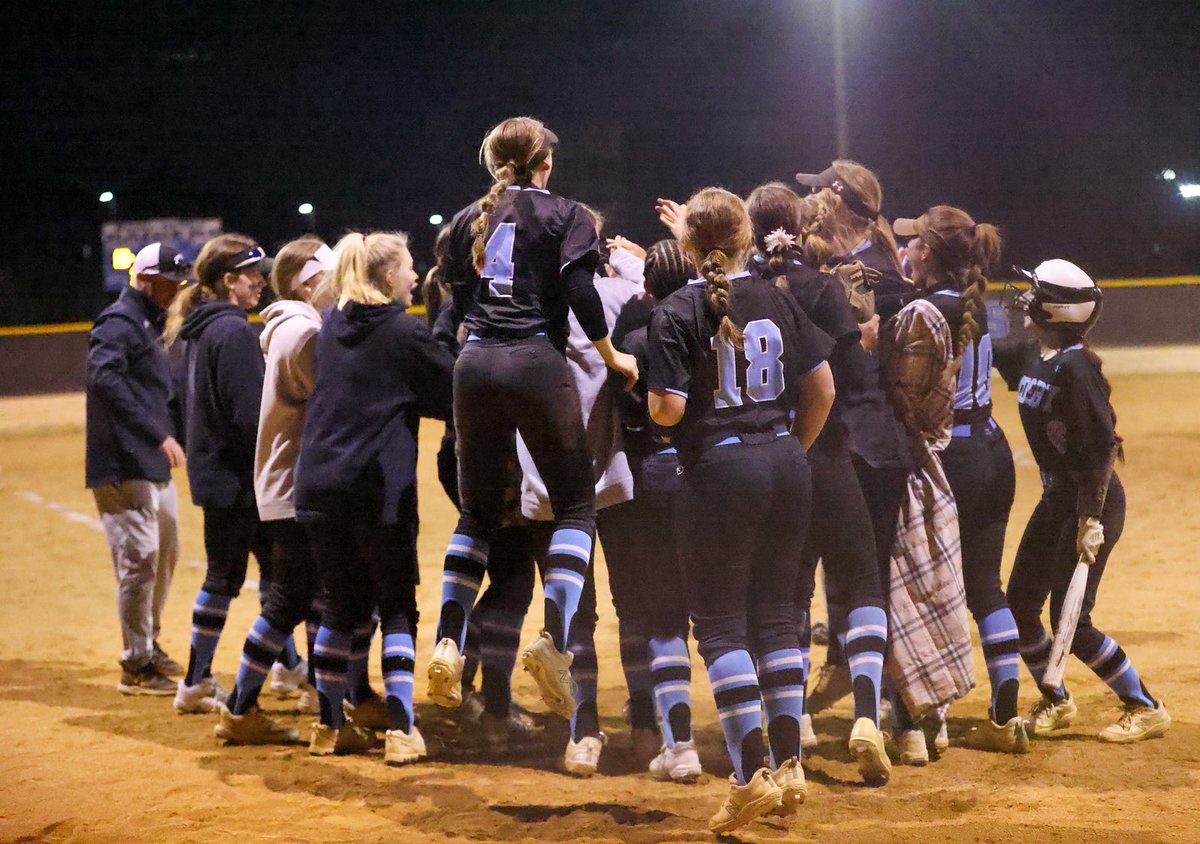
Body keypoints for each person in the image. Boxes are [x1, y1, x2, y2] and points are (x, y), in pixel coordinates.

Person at [425, 116, 638, 721]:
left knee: (477, 513)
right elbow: (578, 289)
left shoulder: (469, 219)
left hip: (474, 364)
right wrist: (608, 353)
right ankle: (554, 640)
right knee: (574, 507)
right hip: (533, 361)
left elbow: (457, 298)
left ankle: (448, 638)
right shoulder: (566, 213)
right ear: (545, 162)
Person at [648, 188, 834, 834]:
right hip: (786, 462)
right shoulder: (776, 295)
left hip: (721, 470)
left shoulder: (677, 307)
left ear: (688, 248)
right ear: (747, 241)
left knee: (723, 628)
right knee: (779, 617)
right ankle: (788, 767)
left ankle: (749, 777)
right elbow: (823, 390)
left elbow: (668, 411)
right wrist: (788, 451)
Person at [745, 182, 892, 785]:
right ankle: (864, 716)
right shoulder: (824, 287)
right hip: (827, 458)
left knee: (788, 594)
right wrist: (864, 339)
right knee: (862, 583)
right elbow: (848, 383)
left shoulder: (741, 289)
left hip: (774, 460)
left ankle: (795, 721)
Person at [294, 230, 454, 764]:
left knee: (340, 606)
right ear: (388, 277)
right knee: (397, 610)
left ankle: (327, 726)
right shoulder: (402, 333)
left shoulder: (333, 323)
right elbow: (452, 391)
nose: (414, 277)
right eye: (409, 269)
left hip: (316, 485)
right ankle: (401, 731)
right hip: (374, 490)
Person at [996, 259, 1170, 743]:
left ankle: (1145, 705)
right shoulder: (1035, 354)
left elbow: (1100, 450)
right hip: (1057, 498)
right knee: (1020, 605)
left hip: (1090, 503)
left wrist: (1089, 517)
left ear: (1056, 309)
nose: (1025, 298)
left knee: (1072, 619)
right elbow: (975, 346)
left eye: (1035, 292)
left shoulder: (1077, 367)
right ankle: (1056, 699)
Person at [513, 221, 648, 777]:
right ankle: (646, 724)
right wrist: (634, 262)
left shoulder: (519, 310)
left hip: (548, 481)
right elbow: (657, 295)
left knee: (574, 614)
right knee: (635, 601)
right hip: (614, 473)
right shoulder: (616, 293)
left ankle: (584, 730)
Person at [893, 207, 1028, 753]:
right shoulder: (976, 303)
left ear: (927, 253)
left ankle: (929, 721)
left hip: (950, 458)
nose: (906, 250)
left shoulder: (922, 310)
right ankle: (1005, 713)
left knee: (929, 590)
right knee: (984, 586)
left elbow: (908, 396)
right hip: (993, 450)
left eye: (914, 244)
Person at [212, 236, 335, 744]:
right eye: (330, 276)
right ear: (307, 283)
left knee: (299, 598)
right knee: (298, 598)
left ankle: (263, 706)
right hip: (295, 488)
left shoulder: (294, 326)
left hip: (289, 484)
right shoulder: (302, 332)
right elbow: (337, 399)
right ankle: (255, 708)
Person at [165, 234, 269, 714]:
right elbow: (249, 415)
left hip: (219, 474)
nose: (262, 283)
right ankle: (195, 682)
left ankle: (287, 669)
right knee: (233, 579)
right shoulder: (230, 332)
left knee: (270, 576)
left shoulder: (201, 328)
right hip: (238, 479)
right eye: (252, 276)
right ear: (229, 281)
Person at [612, 237, 704, 784]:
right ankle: (778, 733)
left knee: (645, 611)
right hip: (702, 478)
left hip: (646, 480)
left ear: (646, 286)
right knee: (721, 617)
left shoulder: (634, 335)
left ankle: (661, 733)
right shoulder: (713, 332)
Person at [86, 242, 190, 694]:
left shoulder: (152, 322)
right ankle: (137, 663)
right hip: (123, 462)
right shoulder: (119, 321)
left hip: (150, 461)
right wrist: (157, 434)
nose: (175, 291)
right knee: (138, 562)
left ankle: (150, 641)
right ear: (144, 279)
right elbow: (104, 377)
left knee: (165, 553)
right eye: (168, 282)